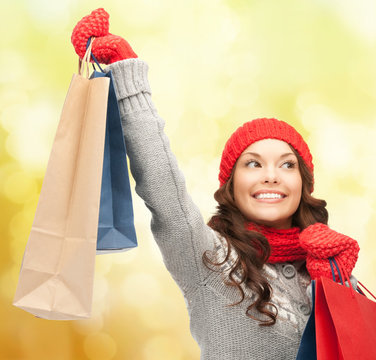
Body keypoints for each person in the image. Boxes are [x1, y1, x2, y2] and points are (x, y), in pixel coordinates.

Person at [71, 9, 360, 360]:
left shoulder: (324, 268)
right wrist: (128, 74)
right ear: (231, 186)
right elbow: (163, 188)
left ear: (303, 185)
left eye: (287, 165)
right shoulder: (211, 260)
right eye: (253, 164)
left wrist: (337, 286)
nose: (271, 175)